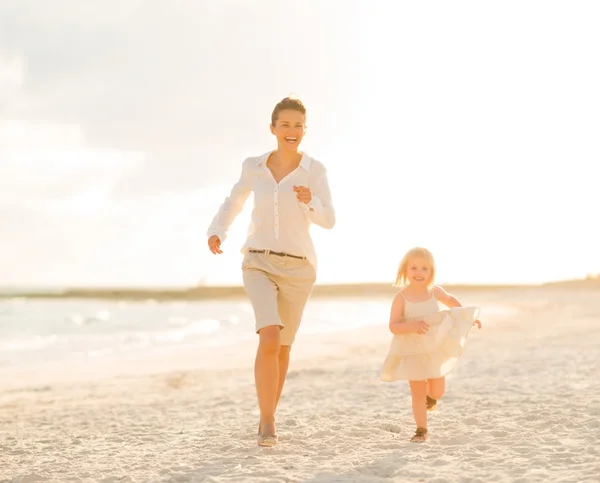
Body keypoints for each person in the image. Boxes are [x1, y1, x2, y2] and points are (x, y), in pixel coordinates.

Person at [206, 96, 336, 447]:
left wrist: (310, 200)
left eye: (298, 125)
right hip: (258, 261)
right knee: (270, 337)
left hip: (299, 268)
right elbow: (235, 200)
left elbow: (329, 220)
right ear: (273, 128)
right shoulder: (254, 166)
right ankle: (267, 420)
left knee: (283, 347)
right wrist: (217, 229)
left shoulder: (315, 171)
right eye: (285, 125)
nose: (291, 131)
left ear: (305, 130)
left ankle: (270, 412)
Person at [380, 247, 482, 442]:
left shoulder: (435, 291)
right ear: (405, 270)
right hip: (411, 349)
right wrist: (412, 325)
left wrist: (468, 318)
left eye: (424, 269)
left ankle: (430, 398)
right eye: (414, 268)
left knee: (437, 391)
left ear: (431, 271)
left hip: (435, 346)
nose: (419, 273)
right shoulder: (401, 297)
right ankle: (421, 430)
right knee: (417, 391)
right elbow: (393, 326)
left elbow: (452, 303)